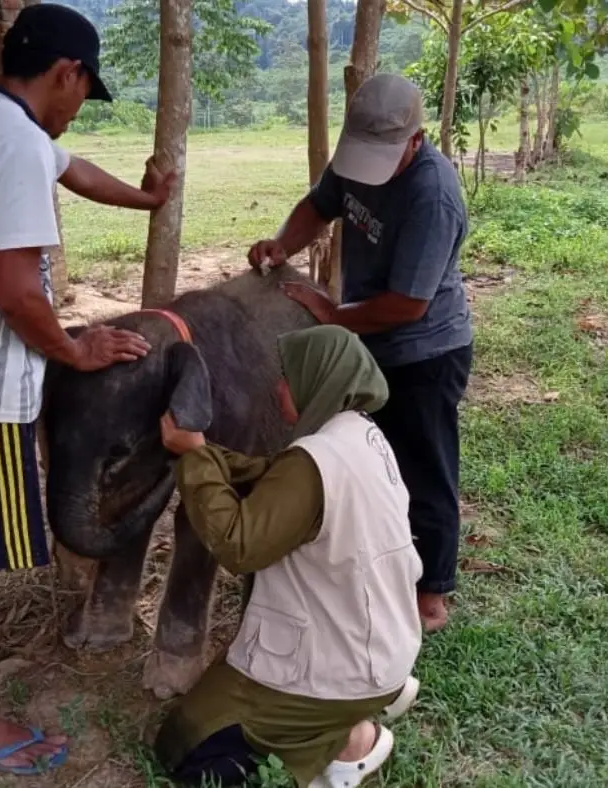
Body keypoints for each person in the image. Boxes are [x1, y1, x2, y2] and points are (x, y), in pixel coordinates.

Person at [0, 4, 176, 775]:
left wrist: (146, 201)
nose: (74, 113)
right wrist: (76, 348)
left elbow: (72, 167)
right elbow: (18, 292)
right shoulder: (18, 146)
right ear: (67, 73)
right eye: (80, 95)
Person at [247, 73, 473, 633]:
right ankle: (379, 560)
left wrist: (332, 315)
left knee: (424, 464)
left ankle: (432, 591)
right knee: (373, 460)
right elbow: (319, 204)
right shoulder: (356, 160)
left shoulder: (432, 194)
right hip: (367, 339)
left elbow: (407, 305)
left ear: (414, 141)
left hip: (425, 349)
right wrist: (283, 243)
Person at [153, 324, 424, 788]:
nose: (280, 387)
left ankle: (349, 739)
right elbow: (274, 479)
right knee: (213, 710)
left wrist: (195, 459)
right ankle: (368, 702)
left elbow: (238, 545)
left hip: (337, 668)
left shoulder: (311, 463)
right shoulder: (360, 434)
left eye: (288, 375)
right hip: (383, 643)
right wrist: (205, 453)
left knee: (186, 748)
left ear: (319, 377)